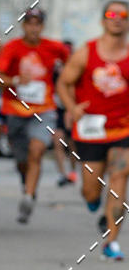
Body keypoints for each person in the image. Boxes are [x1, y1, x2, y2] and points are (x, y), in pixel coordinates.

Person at [57, 0, 129, 260]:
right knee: (91, 189)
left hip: (123, 131)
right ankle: (93, 201)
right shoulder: (86, 53)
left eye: (123, 14)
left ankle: (111, 243)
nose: (118, 18)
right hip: (90, 131)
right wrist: (72, 107)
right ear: (103, 20)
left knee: (119, 180)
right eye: (112, 14)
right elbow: (64, 84)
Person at [0, 8, 70, 223]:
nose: (33, 28)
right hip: (15, 110)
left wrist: (66, 80)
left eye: (37, 23)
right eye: (29, 23)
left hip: (43, 109)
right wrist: (16, 81)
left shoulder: (54, 48)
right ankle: (26, 182)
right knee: (22, 160)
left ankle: (28, 197)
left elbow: (72, 64)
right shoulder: (12, 48)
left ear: (42, 26)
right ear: (23, 26)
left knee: (36, 151)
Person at [53, 39, 78, 187]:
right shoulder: (55, 68)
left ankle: (73, 172)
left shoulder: (76, 68)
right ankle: (62, 174)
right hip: (57, 109)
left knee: (72, 143)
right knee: (58, 140)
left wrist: (72, 109)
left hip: (71, 108)